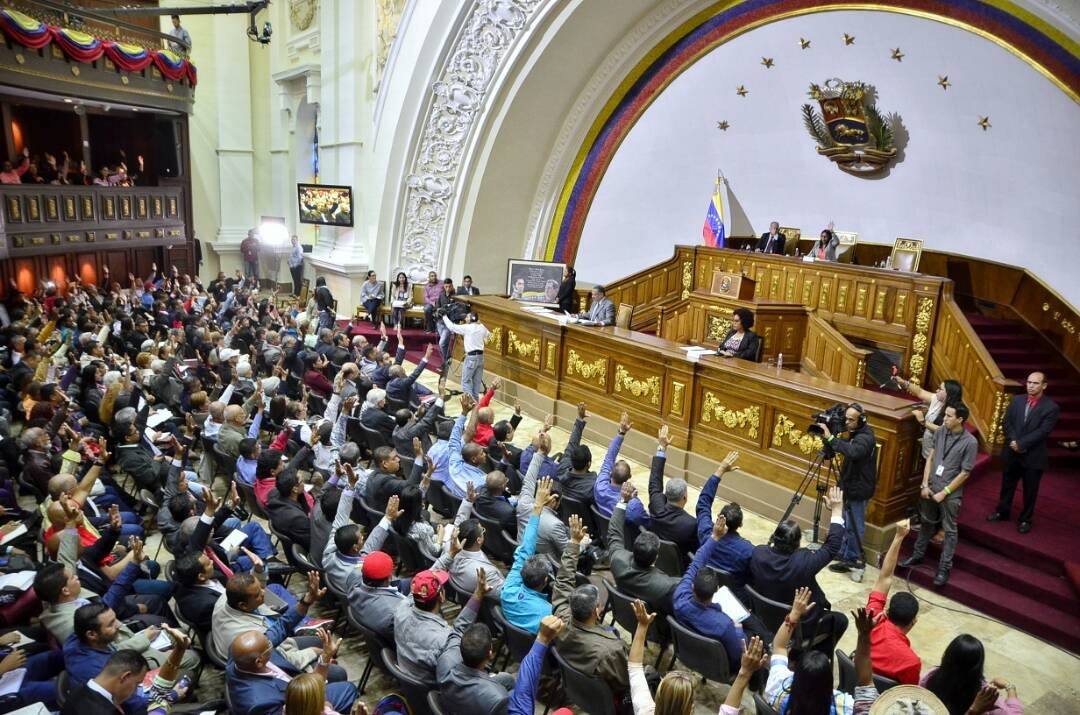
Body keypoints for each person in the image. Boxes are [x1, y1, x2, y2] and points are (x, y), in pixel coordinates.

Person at [749, 486, 848, 655]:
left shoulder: (758, 553)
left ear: (774, 538)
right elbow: (832, 547)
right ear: (797, 544)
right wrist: (837, 510)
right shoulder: (803, 563)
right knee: (840, 620)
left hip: (765, 619)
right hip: (799, 625)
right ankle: (812, 657)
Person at [629, 598, 767, 715]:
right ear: (690, 709)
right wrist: (745, 672)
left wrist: (642, 626)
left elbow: (634, 667)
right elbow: (728, 710)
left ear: (658, 697)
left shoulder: (644, 710)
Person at [552, 514, 631, 700]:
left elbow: (563, 582)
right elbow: (627, 683)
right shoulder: (611, 650)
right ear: (597, 610)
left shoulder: (560, 616)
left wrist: (573, 543)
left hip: (575, 687)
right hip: (603, 702)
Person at [901, 404, 978, 585]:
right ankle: (917, 555)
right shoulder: (941, 431)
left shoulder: (970, 442)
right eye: (945, 415)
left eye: (949, 416)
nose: (944, 419)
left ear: (960, 419)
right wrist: (924, 484)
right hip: (931, 487)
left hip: (949, 493)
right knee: (926, 522)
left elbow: (965, 473)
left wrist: (945, 492)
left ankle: (944, 568)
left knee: (949, 530)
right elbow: (931, 457)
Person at [987, 371, 1059, 533]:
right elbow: (1007, 422)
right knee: (1007, 485)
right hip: (1012, 451)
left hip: (1033, 456)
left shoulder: (1051, 407)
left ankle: (1025, 519)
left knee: (1030, 490)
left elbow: (1043, 432)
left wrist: (1021, 443)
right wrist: (1013, 441)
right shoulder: (1017, 400)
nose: (1031, 386)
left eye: (1035, 383)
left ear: (1044, 386)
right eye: (1029, 382)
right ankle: (1002, 512)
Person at [765, 587, 855, 714]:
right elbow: (868, 698)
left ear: (795, 675)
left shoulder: (777, 689)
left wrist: (794, 613)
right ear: (829, 683)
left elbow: (779, 646)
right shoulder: (846, 706)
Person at [227, 628, 357, 715]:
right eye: (269, 645)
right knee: (348, 689)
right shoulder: (261, 704)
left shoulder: (238, 654)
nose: (271, 643)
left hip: (298, 685)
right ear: (259, 661)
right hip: (301, 703)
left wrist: (306, 601)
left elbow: (278, 630)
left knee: (338, 674)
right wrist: (322, 707)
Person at [818, 403, 877, 576]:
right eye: (846, 419)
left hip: (859, 489)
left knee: (854, 525)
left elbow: (853, 451)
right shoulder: (853, 433)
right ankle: (843, 554)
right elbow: (843, 445)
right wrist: (830, 439)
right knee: (843, 520)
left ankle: (853, 559)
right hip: (848, 484)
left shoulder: (866, 437)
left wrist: (831, 439)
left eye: (851, 420)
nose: (847, 422)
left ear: (862, 420)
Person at [608, 482, 679, 616]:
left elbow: (614, 531)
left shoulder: (618, 560)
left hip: (623, 614)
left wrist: (623, 501)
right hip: (651, 625)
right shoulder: (665, 585)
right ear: (656, 558)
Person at [865, 519, 922, 684]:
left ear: (887, 612)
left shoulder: (870, 620)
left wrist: (898, 536)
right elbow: (905, 695)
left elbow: (884, 577)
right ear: (913, 623)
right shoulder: (911, 662)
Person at [695, 450, 753, 597]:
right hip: (732, 597)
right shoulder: (747, 550)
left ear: (720, 519)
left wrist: (720, 470)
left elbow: (703, 503)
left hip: (703, 587)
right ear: (740, 525)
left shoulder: (706, 532)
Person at [921, 635, 1023, 715]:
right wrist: (1010, 687)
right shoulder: (985, 696)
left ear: (947, 656)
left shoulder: (930, 676)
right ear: (978, 665)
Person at [647, 425, 699, 557]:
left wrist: (661, 448)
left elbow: (654, 482)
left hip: (656, 557)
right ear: (684, 498)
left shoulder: (657, 506)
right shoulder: (690, 524)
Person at [593, 412, 650, 528]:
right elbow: (647, 522)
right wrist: (634, 499)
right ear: (629, 478)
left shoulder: (600, 486)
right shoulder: (633, 506)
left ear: (610, 473)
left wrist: (621, 433)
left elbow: (609, 458)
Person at [894, 375, 965, 460]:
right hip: (928, 450)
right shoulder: (937, 399)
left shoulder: (953, 411)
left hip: (940, 454)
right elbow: (920, 392)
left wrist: (923, 422)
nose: (937, 390)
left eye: (940, 389)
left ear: (949, 394)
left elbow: (943, 430)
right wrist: (903, 382)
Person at [61, 649, 149, 715]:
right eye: (137, 683)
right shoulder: (107, 712)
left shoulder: (77, 689)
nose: (135, 691)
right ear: (125, 677)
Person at [442, 311, 491, 398]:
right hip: (480, 358)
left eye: (467, 317)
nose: (465, 318)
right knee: (476, 384)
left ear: (471, 319)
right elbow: (489, 335)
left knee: (466, 382)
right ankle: (475, 407)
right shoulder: (482, 327)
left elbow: (451, 327)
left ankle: (469, 403)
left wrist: (444, 316)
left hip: (471, 358)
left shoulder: (467, 328)